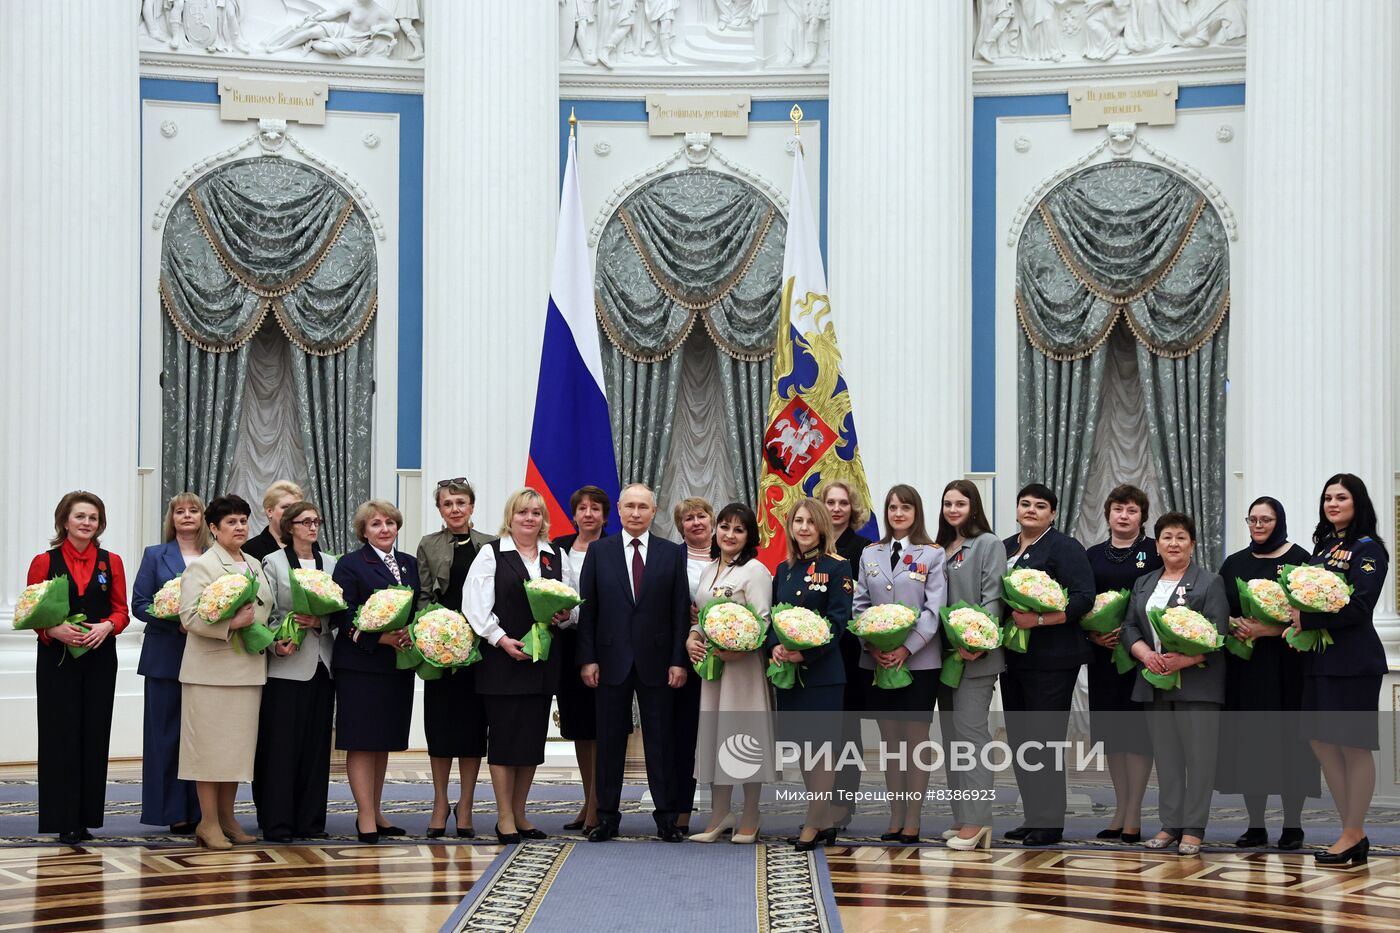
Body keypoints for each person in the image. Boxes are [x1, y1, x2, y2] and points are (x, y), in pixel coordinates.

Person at [576, 483, 691, 843]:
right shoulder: (599, 552)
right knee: (610, 743)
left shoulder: (671, 553)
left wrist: (678, 661)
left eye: (643, 507)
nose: (636, 513)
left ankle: (667, 818)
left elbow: (679, 612)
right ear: (620, 511)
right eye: (630, 506)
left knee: (661, 742)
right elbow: (588, 610)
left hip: (658, 662)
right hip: (610, 661)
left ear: (654, 512)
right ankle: (606, 817)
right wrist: (588, 659)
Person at [1287, 473, 1389, 865]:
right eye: (1328, 497)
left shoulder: (1369, 550)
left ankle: (1351, 832)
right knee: (1321, 742)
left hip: (1354, 661)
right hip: (1320, 659)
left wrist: (1307, 620)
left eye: (1341, 497)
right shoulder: (1324, 546)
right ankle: (1352, 831)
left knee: (1353, 745)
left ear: (1357, 502)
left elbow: (1360, 607)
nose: (1332, 504)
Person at [464, 488, 570, 844]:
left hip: (541, 662)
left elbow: (572, 603)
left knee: (530, 743)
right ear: (510, 517)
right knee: (505, 741)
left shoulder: (555, 555)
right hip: (502, 662)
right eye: (523, 512)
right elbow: (475, 606)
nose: (529, 518)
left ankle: (521, 813)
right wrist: (501, 640)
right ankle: (504, 817)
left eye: (536, 513)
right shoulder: (491, 553)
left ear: (544, 519)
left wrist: (566, 615)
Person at [1122, 512, 1229, 857]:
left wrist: (1184, 659)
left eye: (1181, 537)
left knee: (1199, 759)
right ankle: (1170, 825)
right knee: (1166, 758)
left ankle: (1194, 829)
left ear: (1192, 544)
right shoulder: (1145, 582)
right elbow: (1129, 627)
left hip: (1197, 683)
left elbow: (1219, 632)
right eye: (1167, 537)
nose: (1173, 543)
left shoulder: (1209, 582)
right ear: (1157, 545)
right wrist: (1144, 654)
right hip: (1154, 679)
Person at [26, 491, 129, 846]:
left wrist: (108, 626)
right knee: (59, 736)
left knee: (94, 734)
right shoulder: (44, 561)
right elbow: (30, 612)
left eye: (93, 518)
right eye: (80, 516)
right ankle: (63, 819)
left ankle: (86, 818)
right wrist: (51, 630)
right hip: (57, 660)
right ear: (64, 521)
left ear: (100, 524)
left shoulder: (111, 561)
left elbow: (121, 610)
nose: (87, 523)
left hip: (100, 656)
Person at [1216, 496, 1317, 850]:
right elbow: (1219, 609)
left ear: (1279, 522)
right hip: (1246, 669)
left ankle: (1292, 826)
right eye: (1253, 519)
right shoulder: (1234, 563)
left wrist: (1269, 630)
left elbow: (1311, 617)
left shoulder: (1300, 560)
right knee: (1251, 744)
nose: (1258, 526)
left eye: (1266, 520)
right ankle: (1255, 825)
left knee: (1291, 745)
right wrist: (1233, 624)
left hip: (1288, 667)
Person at [852, 484, 947, 843]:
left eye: (905, 508)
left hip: (919, 662)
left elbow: (934, 610)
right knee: (890, 741)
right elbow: (860, 605)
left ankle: (913, 818)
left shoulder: (932, 554)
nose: (898, 514)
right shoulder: (870, 553)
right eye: (892, 507)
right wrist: (871, 644)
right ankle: (895, 816)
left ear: (916, 512)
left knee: (915, 740)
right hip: (879, 661)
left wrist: (906, 648)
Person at [1001, 482, 1095, 847]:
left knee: (1044, 740)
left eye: (1040, 506)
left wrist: (1039, 620)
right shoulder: (1005, 547)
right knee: (1021, 740)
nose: (1031, 510)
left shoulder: (1064, 547)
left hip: (1053, 660)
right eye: (1025, 503)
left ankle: (1050, 822)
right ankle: (1033, 815)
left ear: (1052, 513)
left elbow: (1084, 597)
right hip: (1014, 658)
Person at [177, 494, 272, 851]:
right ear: (214, 529)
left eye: (243, 520)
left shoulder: (253, 563)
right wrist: (231, 623)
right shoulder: (202, 566)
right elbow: (189, 617)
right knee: (208, 751)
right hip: (210, 672)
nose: (240, 527)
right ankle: (208, 822)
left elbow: (264, 608)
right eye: (231, 522)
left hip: (248, 668)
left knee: (235, 751)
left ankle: (228, 817)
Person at [688, 503, 777, 845]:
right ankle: (720, 814)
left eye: (739, 530)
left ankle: (752, 814)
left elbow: (763, 620)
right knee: (716, 735)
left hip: (743, 669)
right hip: (713, 669)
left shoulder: (755, 571)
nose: (729, 534)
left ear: (749, 536)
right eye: (724, 527)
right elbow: (701, 617)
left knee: (744, 736)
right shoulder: (709, 570)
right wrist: (692, 637)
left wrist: (740, 649)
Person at [331, 499, 419, 844]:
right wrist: (379, 637)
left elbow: (417, 606)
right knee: (362, 741)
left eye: (390, 523)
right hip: (361, 665)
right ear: (363, 531)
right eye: (376, 524)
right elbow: (343, 613)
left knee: (382, 742)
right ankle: (364, 815)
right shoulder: (350, 564)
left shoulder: (409, 563)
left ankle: (377, 810)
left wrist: (413, 630)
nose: (385, 529)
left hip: (396, 666)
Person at [768, 498, 851, 851]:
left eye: (810, 522)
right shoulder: (783, 569)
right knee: (803, 750)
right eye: (798, 521)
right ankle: (824, 821)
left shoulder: (837, 566)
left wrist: (808, 652)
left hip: (822, 674)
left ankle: (813, 823)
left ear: (821, 527)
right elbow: (774, 615)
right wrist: (774, 645)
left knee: (822, 751)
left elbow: (838, 621)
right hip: (791, 674)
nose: (803, 528)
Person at [415, 478, 494, 838]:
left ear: (472, 506)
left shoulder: (491, 544)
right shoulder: (428, 544)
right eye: (448, 504)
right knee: (441, 727)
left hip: (478, 650)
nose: (455, 509)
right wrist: (435, 631)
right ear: (440, 509)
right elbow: (422, 594)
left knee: (473, 729)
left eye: (461, 503)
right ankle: (439, 801)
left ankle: (466, 804)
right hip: (441, 647)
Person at [1083, 484, 1162, 844]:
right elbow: (1082, 600)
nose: (1124, 516)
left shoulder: (1154, 551)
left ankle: (1134, 814)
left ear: (1142, 516)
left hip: (1140, 656)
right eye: (1118, 509)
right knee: (1112, 736)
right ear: (1108, 514)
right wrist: (1092, 635)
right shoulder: (1093, 554)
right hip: (1103, 656)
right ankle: (1119, 809)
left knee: (1137, 737)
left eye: (1131, 510)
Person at [255, 500, 337, 842]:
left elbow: (339, 610)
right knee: (281, 748)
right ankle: (278, 823)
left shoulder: (330, 563)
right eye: (305, 522)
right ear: (290, 527)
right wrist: (277, 641)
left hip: (322, 664)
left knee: (316, 747)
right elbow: (267, 610)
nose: (313, 527)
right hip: (286, 665)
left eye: (316, 521)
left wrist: (321, 622)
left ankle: (310, 822)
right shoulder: (272, 562)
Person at [933, 480, 1004, 851]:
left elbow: (993, 598)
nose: (953, 509)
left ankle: (978, 821)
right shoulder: (938, 548)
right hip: (943, 656)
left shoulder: (988, 544)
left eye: (960, 503)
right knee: (952, 739)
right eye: (947, 503)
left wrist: (977, 640)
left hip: (976, 656)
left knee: (972, 736)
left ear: (973, 507)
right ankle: (962, 815)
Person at [133, 492, 208, 834]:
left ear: (203, 518)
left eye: (194, 510)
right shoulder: (155, 555)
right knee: (166, 735)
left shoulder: (215, 556)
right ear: (171, 518)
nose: (187, 516)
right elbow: (140, 604)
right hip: (165, 656)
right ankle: (172, 811)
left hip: (207, 654)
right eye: (180, 511)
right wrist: (173, 621)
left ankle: (203, 811)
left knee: (201, 736)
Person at [554, 485, 614, 834]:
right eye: (582, 508)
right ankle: (587, 799)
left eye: (595, 508)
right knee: (578, 727)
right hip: (567, 644)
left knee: (600, 726)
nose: (588, 514)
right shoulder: (557, 547)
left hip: (604, 645)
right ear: (574, 514)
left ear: (605, 517)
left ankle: (598, 804)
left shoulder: (613, 548)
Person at [820, 479, 874, 827]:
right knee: (820, 734)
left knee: (847, 731)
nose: (837, 509)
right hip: (815, 654)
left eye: (843, 503)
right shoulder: (810, 545)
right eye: (831, 502)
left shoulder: (864, 549)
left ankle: (842, 804)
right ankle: (820, 804)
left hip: (849, 652)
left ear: (853, 508)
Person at [672, 495, 717, 834]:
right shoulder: (671, 558)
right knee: (684, 735)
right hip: (685, 656)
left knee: (722, 733)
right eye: (689, 519)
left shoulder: (731, 555)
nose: (696, 523)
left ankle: (722, 811)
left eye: (702, 516)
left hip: (727, 656)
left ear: (712, 521)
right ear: (681, 527)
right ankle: (681, 811)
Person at [243, 480, 305, 563]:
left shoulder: (308, 543)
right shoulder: (250, 549)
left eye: (297, 508)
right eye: (286, 507)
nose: (293, 512)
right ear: (269, 511)